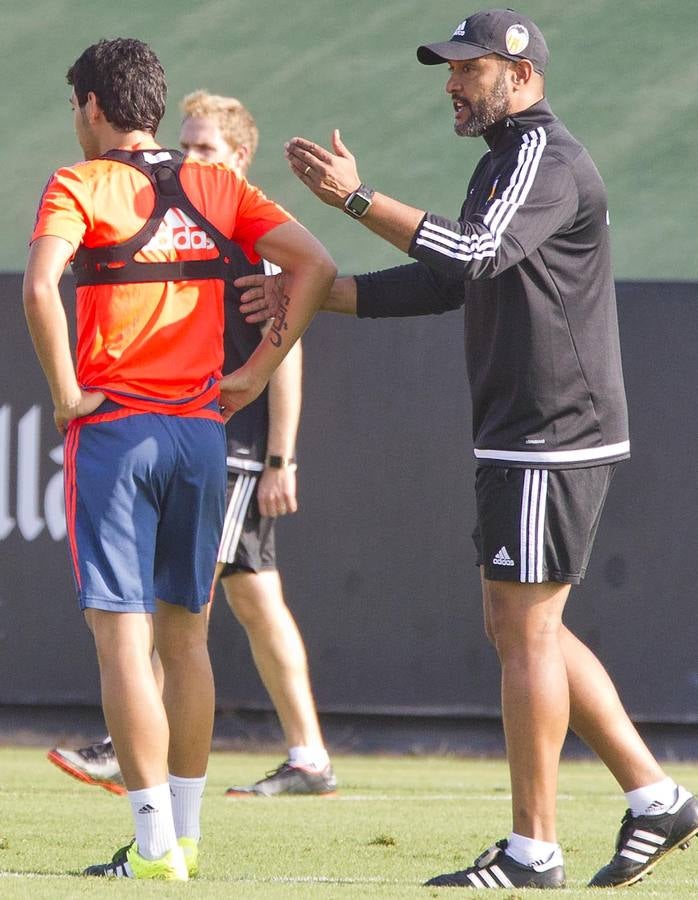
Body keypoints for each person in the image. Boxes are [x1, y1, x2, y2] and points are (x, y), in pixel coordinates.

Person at [237, 8, 698, 890]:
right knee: (527, 627)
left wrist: (356, 201)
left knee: (523, 631)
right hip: (532, 429)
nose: (450, 82)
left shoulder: (543, 158)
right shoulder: (504, 162)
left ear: (519, 75)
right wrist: (320, 293)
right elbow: (450, 277)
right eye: (449, 69)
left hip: (551, 429)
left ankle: (533, 852)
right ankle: (655, 798)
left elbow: (473, 254)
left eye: (466, 68)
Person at [23, 37, 335, 881]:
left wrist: (64, 392)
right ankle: (185, 838)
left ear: (92, 106)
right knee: (187, 640)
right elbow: (316, 263)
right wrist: (255, 372)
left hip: (116, 433)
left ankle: (155, 843)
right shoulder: (218, 184)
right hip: (202, 433)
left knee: (122, 642)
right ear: (154, 106)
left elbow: (38, 286)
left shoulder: (78, 184)